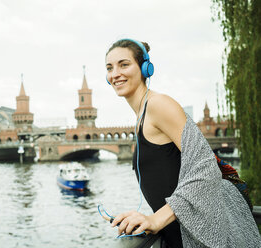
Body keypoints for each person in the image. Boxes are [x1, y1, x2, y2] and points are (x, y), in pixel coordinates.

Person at [105, 39, 261, 247]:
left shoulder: (158, 105)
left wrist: (156, 219)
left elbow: (206, 168)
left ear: (145, 68)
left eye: (124, 64)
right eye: (109, 68)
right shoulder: (141, 116)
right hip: (180, 234)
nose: (115, 73)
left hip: (203, 236)